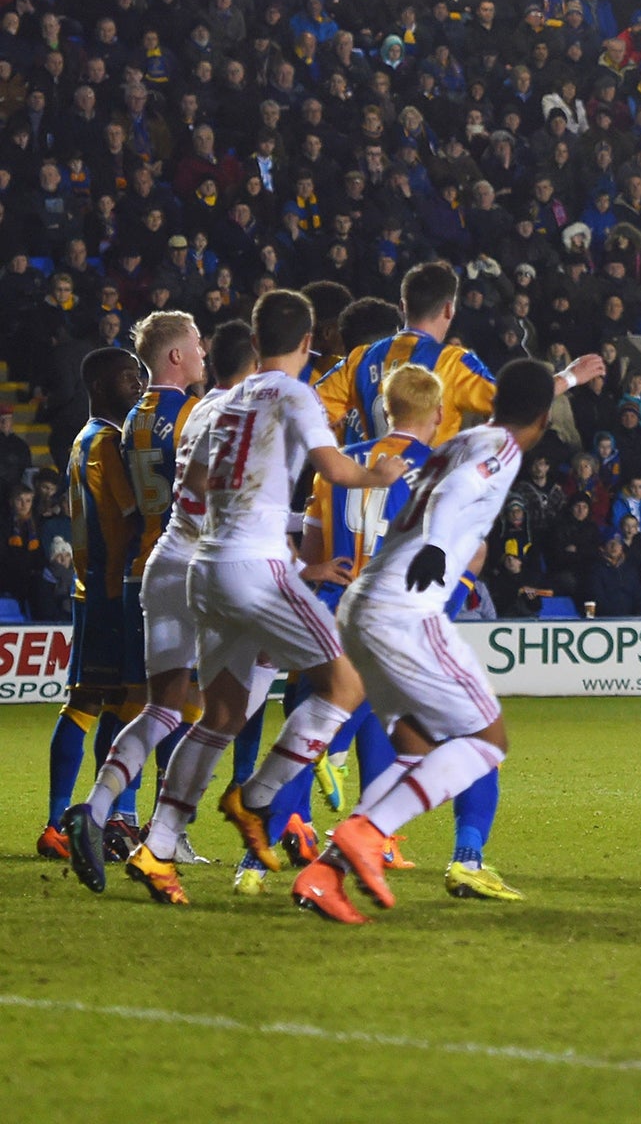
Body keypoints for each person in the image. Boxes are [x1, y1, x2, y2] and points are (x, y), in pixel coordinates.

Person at [70, 291, 411, 903]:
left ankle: (155, 843)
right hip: (244, 565)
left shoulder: (212, 408)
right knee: (349, 679)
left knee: (210, 715)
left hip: (191, 565)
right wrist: (378, 476)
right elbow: (335, 470)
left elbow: (195, 482)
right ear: (307, 342)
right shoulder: (290, 394)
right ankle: (259, 797)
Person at [291, 358, 558, 924]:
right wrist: (439, 544)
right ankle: (368, 832)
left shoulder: (468, 437)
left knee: (414, 750)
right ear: (544, 416)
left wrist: (572, 378)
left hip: (361, 604)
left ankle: (326, 873)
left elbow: (462, 466)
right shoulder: (502, 450)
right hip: (406, 609)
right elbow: (458, 491)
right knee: (486, 741)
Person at [60, 315, 221, 871]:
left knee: (146, 703)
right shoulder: (190, 413)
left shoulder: (130, 420)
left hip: (139, 570)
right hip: (183, 567)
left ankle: (111, 814)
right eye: (196, 344)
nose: (203, 351)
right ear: (176, 355)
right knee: (188, 707)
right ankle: (159, 825)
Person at [39, 346, 145, 864]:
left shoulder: (83, 441)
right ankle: (110, 818)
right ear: (101, 386)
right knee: (128, 706)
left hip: (91, 590)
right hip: (110, 591)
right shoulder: (107, 443)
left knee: (91, 705)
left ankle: (66, 820)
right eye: (129, 378)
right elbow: (135, 513)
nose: (139, 385)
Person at [320, 260, 603, 444]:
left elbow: (310, 408)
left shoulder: (361, 358)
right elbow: (515, 402)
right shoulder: (452, 363)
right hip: (419, 510)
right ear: (448, 309)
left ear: (403, 307)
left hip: (362, 505)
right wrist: (570, 376)